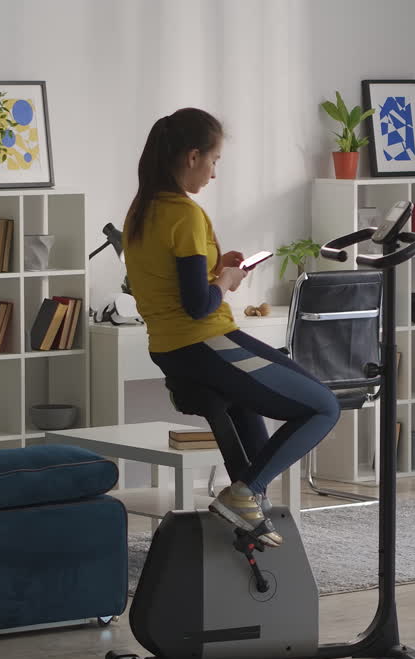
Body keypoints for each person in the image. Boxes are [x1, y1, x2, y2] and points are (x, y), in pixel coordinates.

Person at [122, 108, 340, 547]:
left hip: (169, 348)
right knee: (323, 407)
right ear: (192, 156)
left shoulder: (142, 212)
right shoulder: (185, 214)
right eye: (213, 160)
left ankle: (249, 512)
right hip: (204, 342)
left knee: (249, 421)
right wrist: (225, 281)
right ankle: (245, 493)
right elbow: (199, 305)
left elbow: (171, 282)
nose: (214, 172)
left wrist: (216, 267)